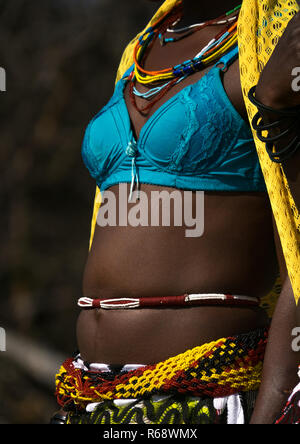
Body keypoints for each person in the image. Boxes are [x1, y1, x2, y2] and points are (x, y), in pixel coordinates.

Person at [51, 0, 300, 424]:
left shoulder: (277, 33)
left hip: (205, 397)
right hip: (91, 395)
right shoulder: (141, 48)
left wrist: (272, 410)